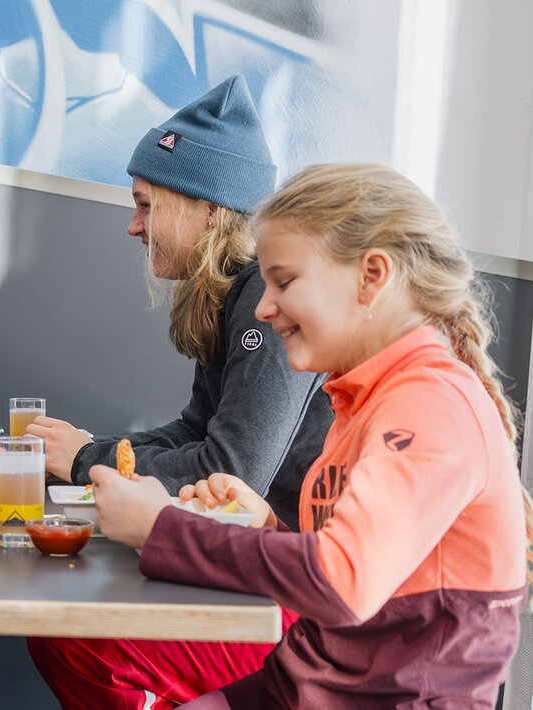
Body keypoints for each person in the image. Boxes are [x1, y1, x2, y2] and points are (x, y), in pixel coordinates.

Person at [91, 163, 533, 708]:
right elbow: (354, 574)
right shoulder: (362, 400)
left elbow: (344, 581)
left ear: (371, 276)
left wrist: (161, 529)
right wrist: (271, 529)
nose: (262, 307)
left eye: (286, 281)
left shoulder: (429, 405)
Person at [27, 76, 327, 708]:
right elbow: (195, 430)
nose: (133, 227)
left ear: (207, 207)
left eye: (146, 205)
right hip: (262, 561)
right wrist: (91, 449)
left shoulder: (262, 304)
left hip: (302, 592)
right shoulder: (229, 293)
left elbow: (230, 467)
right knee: (57, 631)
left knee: (77, 640)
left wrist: (86, 459)